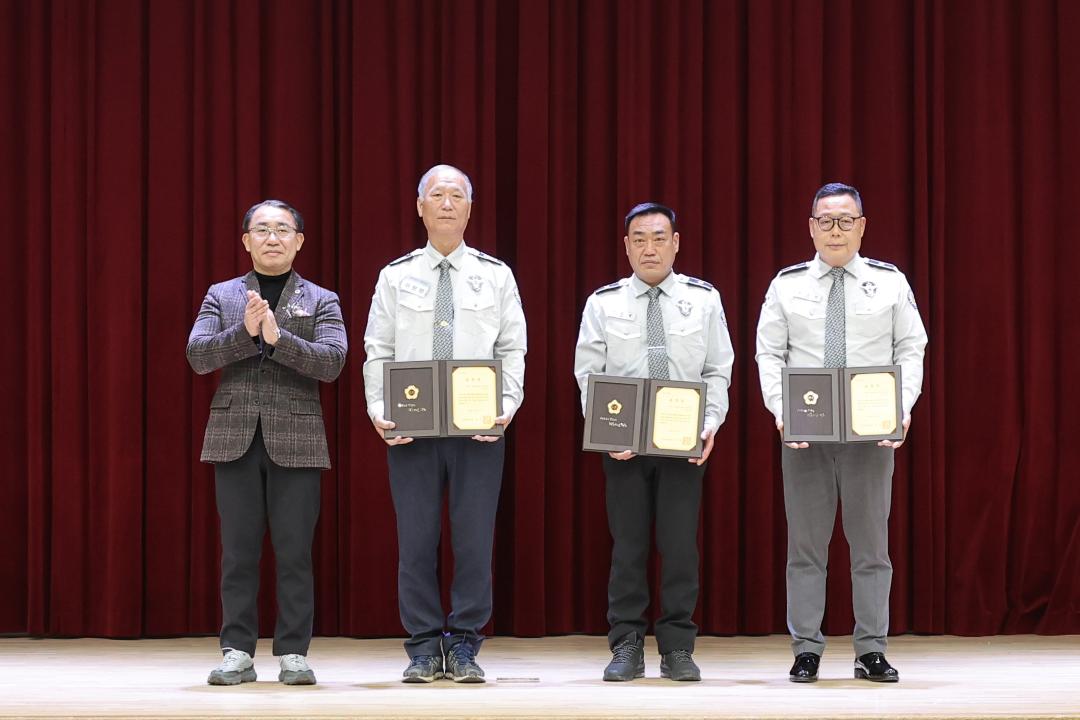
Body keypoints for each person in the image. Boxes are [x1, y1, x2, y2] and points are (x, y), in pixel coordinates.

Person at [755, 182, 927, 683]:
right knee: (805, 549)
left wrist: (902, 406)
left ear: (862, 226)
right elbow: (770, 353)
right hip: (805, 434)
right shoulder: (786, 285)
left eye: (845, 220)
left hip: (870, 435)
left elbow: (910, 348)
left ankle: (870, 649)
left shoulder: (890, 282)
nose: (835, 229)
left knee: (872, 548)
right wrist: (781, 411)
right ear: (810, 227)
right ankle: (806, 649)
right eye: (826, 220)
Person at [362, 164, 527, 683]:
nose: (448, 204)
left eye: (457, 195)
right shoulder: (395, 275)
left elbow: (512, 348)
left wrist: (507, 406)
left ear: (470, 209)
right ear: (420, 206)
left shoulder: (496, 274)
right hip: (411, 428)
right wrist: (378, 410)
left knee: (474, 539)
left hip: (479, 429)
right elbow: (377, 349)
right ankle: (422, 646)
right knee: (416, 540)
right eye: (437, 195)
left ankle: (465, 645)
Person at [187, 199, 347, 686]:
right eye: (262, 229)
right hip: (233, 437)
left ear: (299, 240)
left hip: (297, 437)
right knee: (237, 552)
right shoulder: (222, 295)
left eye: (283, 229)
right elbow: (196, 355)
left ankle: (294, 652)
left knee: (295, 551)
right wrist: (246, 332)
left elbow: (333, 361)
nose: (272, 237)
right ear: (246, 240)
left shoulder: (322, 299)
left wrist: (279, 340)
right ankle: (236, 650)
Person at [573, 202, 734, 682]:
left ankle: (678, 647)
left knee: (681, 546)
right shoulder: (603, 303)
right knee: (629, 546)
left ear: (676, 243)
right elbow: (588, 374)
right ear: (626, 246)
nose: (649, 248)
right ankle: (626, 643)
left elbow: (717, 370)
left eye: (659, 238)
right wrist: (604, 433)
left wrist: (710, 423)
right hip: (624, 446)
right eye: (639, 239)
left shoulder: (704, 300)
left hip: (684, 443)